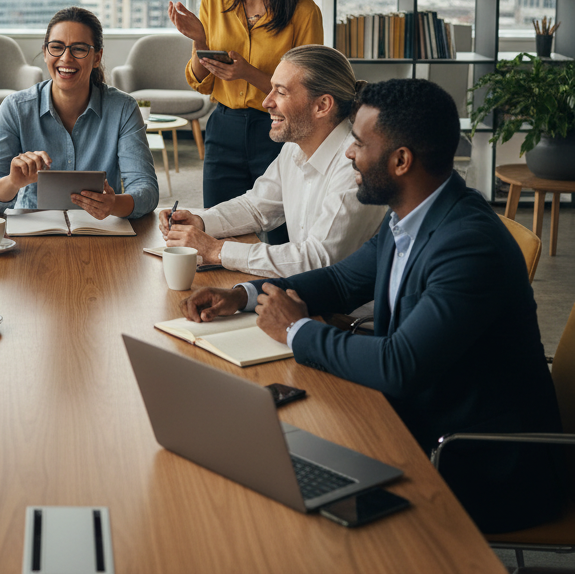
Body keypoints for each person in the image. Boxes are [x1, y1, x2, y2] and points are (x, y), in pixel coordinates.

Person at [181, 79, 563, 534]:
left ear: (401, 161)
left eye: (359, 143)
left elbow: (400, 364)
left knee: (278, 509)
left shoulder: (467, 245)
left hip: (480, 465)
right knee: (261, 453)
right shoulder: (412, 212)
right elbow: (342, 281)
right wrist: (243, 296)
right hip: (419, 423)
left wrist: (296, 330)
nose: (348, 154)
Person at [159, 45, 384, 276]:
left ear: (322, 105)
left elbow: (318, 259)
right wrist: (201, 221)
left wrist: (217, 250)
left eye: (281, 92)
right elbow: (257, 207)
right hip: (307, 293)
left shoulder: (356, 163)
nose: (266, 102)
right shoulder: (294, 147)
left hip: (347, 311)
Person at [169, 0, 323, 209]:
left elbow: (309, 95)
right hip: (223, 127)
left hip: (279, 131)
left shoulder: (304, 12)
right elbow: (200, 83)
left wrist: (248, 73)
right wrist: (199, 39)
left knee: (280, 233)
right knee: (218, 225)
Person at [0, 7, 159, 220]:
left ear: (97, 57)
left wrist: (114, 204)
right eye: (56, 47)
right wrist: (13, 182)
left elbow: (147, 190)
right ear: (45, 52)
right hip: (34, 230)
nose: (66, 58)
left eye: (79, 49)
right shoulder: (15, 108)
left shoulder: (123, 109)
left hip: (102, 231)